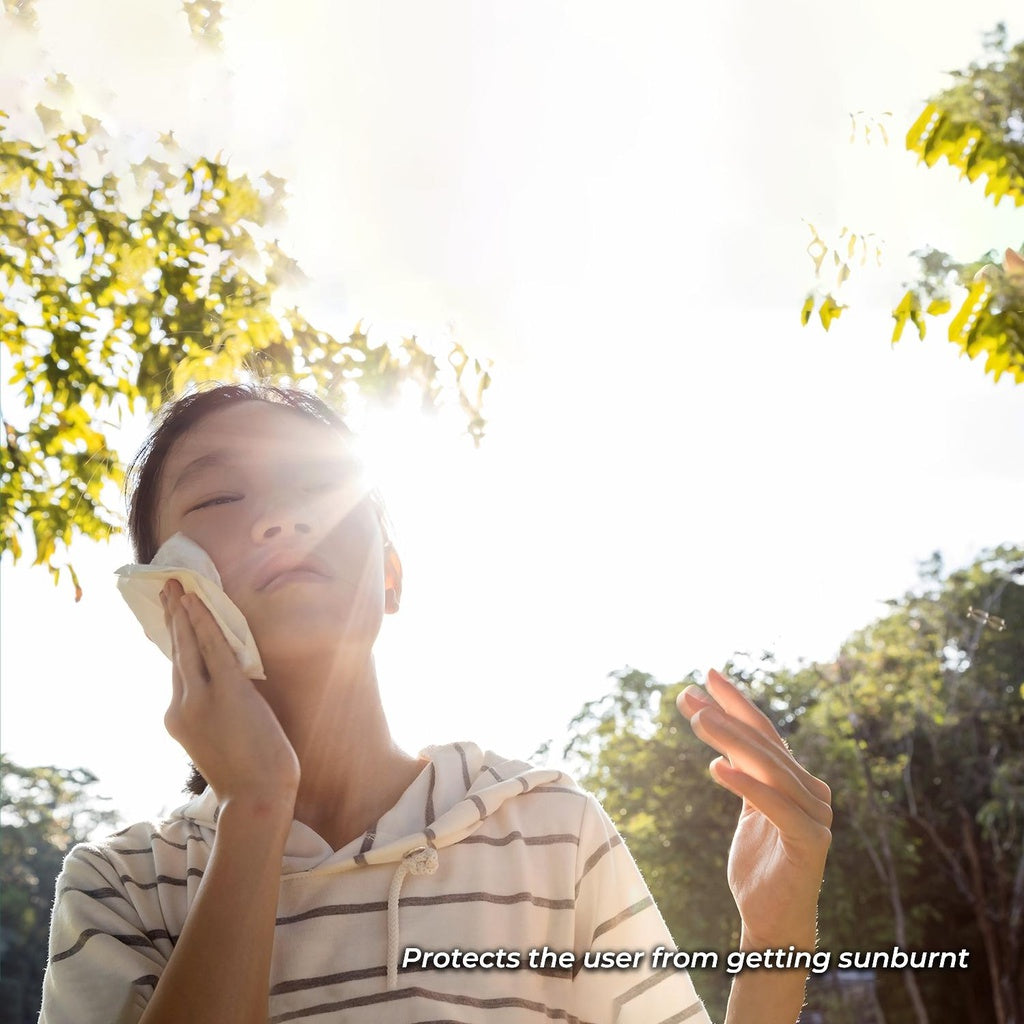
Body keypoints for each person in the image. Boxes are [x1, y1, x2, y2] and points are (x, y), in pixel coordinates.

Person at [38, 382, 831, 1024]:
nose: (284, 518)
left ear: (391, 573)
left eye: (319, 483)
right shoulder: (120, 887)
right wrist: (253, 806)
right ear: (162, 596)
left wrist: (776, 935)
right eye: (218, 498)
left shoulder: (548, 828)